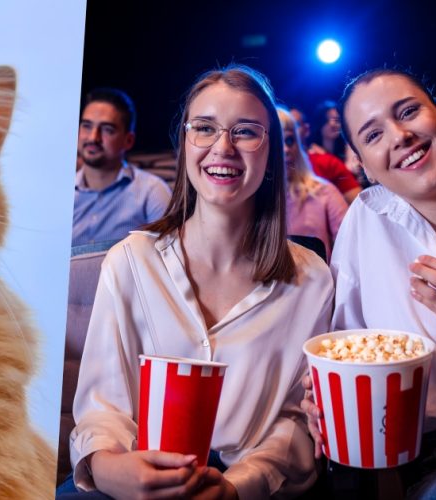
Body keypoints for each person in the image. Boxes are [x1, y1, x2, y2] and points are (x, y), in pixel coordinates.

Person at [63, 65, 334, 499]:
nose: (222, 147)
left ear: (271, 155)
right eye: (205, 128)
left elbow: (296, 423)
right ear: (186, 142)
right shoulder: (130, 262)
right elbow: (102, 409)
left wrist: (239, 486)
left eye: (245, 132)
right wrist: (110, 469)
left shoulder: (313, 280)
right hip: (127, 480)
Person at [302, 68, 436, 499]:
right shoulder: (366, 219)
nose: (399, 135)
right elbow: (344, 349)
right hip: (430, 457)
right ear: (363, 165)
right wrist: (325, 397)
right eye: (373, 135)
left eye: (409, 111)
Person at [73, 88, 171, 247]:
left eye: (107, 129)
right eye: (87, 126)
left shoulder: (151, 191)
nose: (93, 137)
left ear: (129, 140)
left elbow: (169, 255)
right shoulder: (59, 193)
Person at [279, 107, 348, 261]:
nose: (285, 149)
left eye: (289, 140)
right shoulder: (246, 199)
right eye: (277, 141)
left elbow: (353, 246)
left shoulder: (323, 191)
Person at [291, 106, 362, 204]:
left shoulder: (350, 147)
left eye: (336, 120)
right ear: (319, 124)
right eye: (327, 120)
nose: (333, 124)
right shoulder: (314, 154)